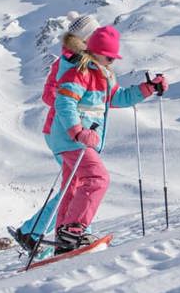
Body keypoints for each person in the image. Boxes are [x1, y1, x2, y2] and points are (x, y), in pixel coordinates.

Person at [48, 25, 166, 252]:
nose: (112, 61)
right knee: (97, 178)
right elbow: (64, 103)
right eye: (109, 57)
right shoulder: (78, 74)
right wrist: (78, 131)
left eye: (114, 58)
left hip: (77, 140)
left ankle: (64, 241)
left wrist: (148, 88)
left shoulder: (104, 77)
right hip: (71, 138)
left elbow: (119, 98)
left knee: (73, 186)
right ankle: (74, 230)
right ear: (95, 52)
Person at [8, 11, 100, 254]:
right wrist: (71, 97)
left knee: (73, 184)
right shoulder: (65, 64)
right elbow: (49, 95)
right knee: (79, 183)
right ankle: (59, 232)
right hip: (62, 132)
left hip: (75, 132)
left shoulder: (92, 62)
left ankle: (38, 232)